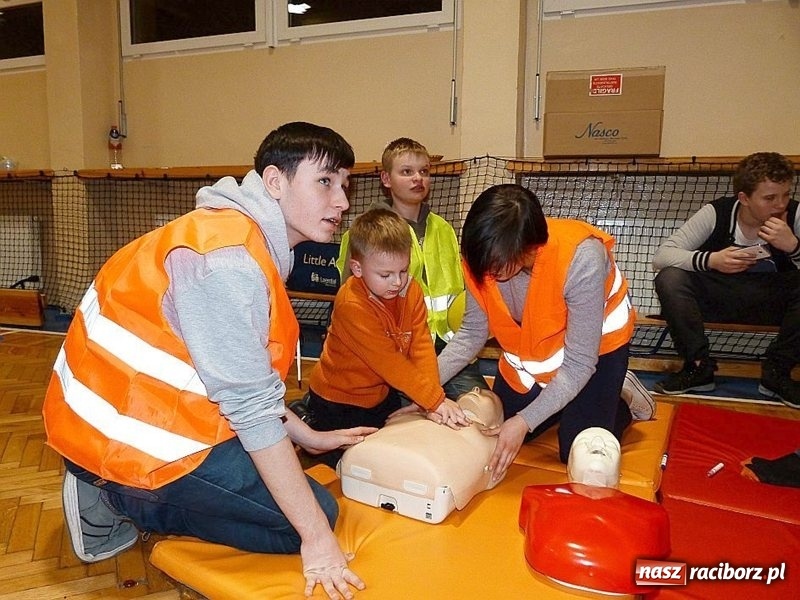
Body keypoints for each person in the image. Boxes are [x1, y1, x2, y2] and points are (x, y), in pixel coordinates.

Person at [42, 122, 377, 600]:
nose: (342, 201)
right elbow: (249, 407)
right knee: (313, 519)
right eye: (325, 181)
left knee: (290, 490)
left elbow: (241, 377)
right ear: (275, 182)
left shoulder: (231, 237)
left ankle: (111, 481)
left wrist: (310, 437)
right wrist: (318, 541)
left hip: (132, 418)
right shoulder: (228, 261)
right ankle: (119, 496)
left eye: (345, 185)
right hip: (130, 440)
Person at [437, 183, 654, 481]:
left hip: (596, 355)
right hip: (536, 360)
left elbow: (579, 364)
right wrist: (425, 389)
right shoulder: (481, 257)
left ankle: (620, 397)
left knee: (577, 448)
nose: (488, 271)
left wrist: (526, 420)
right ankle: (564, 405)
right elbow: (471, 333)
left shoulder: (582, 259)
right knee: (501, 431)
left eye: (498, 263)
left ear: (529, 248)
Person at [307, 208, 470, 467]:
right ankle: (305, 417)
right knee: (350, 468)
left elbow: (421, 347)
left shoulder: (411, 291)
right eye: (385, 275)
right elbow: (389, 362)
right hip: (337, 402)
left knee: (394, 458)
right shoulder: (352, 304)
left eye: (403, 271)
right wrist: (435, 401)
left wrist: (430, 397)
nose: (397, 282)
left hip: (381, 397)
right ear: (357, 268)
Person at [336, 137, 488, 398]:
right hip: (396, 349)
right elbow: (352, 299)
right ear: (386, 179)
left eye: (424, 172)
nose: (418, 178)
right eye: (406, 172)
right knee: (405, 418)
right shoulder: (363, 232)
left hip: (447, 345)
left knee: (484, 406)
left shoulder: (444, 229)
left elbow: (460, 289)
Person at [651, 152, 799, 408]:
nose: (780, 204)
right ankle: (698, 368)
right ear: (744, 198)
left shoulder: (795, 215)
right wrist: (712, 260)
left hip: (772, 304)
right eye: (770, 198)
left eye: (786, 195)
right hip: (719, 299)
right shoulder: (716, 213)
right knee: (670, 278)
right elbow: (662, 256)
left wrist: (794, 246)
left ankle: (777, 373)